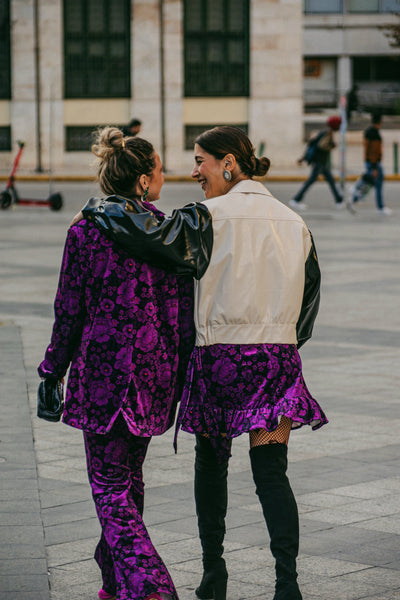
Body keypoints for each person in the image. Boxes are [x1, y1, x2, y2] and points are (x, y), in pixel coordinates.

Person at [79, 126, 328, 600]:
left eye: (200, 161)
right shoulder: (295, 222)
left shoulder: (204, 217)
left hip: (218, 362)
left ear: (228, 162)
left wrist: (102, 204)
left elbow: (146, 235)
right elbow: (309, 300)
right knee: (271, 471)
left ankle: (214, 575)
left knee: (211, 465)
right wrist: (279, 341)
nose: (194, 172)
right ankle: (287, 585)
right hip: (277, 362)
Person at [38, 126, 212, 600]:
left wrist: (52, 370)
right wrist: (178, 379)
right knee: (127, 482)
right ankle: (113, 585)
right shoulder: (170, 235)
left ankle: (150, 587)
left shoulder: (84, 230)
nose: (164, 177)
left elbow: (68, 311)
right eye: (158, 170)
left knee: (111, 487)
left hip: (100, 376)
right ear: (141, 180)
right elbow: (181, 317)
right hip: (153, 376)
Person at [290, 115, 344, 211]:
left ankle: (338, 201)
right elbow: (321, 146)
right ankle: (296, 199)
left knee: (331, 181)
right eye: (339, 125)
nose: (340, 127)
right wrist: (332, 146)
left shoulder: (327, 133)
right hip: (319, 162)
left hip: (322, 163)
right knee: (311, 181)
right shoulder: (328, 134)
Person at [351, 112, 392, 215]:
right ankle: (380, 207)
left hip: (369, 161)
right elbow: (374, 151)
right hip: (374, 163)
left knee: (371, 182)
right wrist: (374, 167)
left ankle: (355, 197)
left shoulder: (368, 131)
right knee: (377, 183)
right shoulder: (375, 134)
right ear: (380, 122)